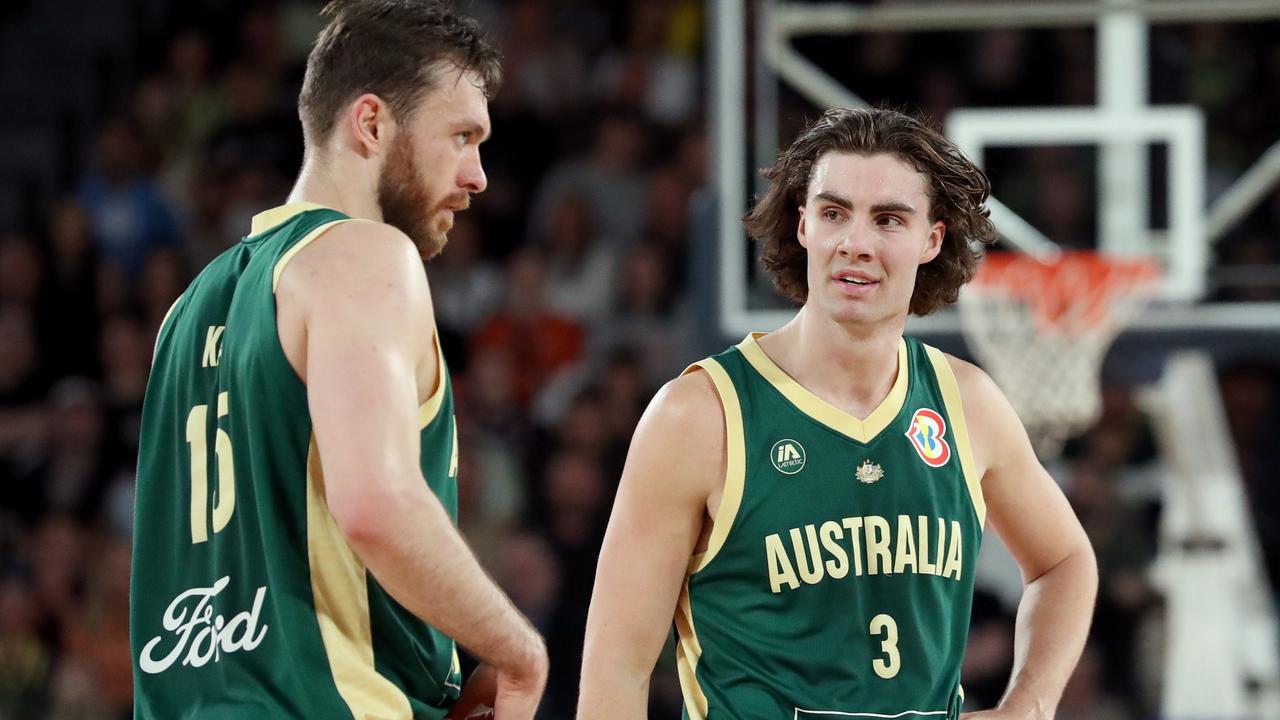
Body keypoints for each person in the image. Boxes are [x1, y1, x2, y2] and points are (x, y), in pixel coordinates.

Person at [578, 107, 1098, 719]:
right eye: (833, 213)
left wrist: (1028, 706)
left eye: (888, 220)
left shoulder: (968, 403)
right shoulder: (700, 415)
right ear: (802, 227)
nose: (855, 243)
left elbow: (1065, 562)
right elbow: (617, 665)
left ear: (932, 239)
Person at [129, 2, 548, 718]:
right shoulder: (362, 254)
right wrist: (517, 654)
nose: (478, 175)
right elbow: (376, 502)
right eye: (461, 137)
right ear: (373, 123)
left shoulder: (186, 310)